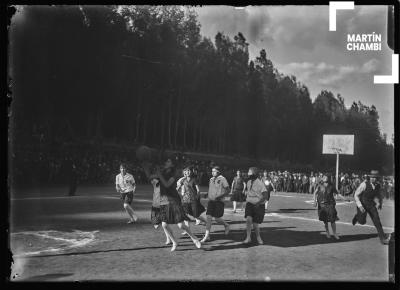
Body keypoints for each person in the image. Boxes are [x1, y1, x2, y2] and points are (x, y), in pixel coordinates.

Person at [153, 158, 201, 251]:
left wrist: (159, 175)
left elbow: (167, 184)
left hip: (173, 200)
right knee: (164, 225)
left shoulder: (174, 174)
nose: (166, 163)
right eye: (165, 161)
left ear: (172, 164)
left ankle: (194, 239)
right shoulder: (162, 172)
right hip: (164, 199)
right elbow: (154, 181)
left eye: (168, 161)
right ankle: (174, 242)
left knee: (180, 225)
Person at [352, 172, 390, 245]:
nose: (373, 179)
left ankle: (383, 238)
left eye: (375, 177)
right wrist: (360, 206)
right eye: (372, 177)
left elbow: (379, 195)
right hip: (362, 205)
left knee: (377, 221)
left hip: (371, 205)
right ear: (369, 177)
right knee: (362, 222)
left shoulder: (378, 185)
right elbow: (356, 195)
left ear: (377, 178)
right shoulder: (364, 184)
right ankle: (357, 217)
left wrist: (380, 203)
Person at [200, 166, 230, 243]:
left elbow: (228, 190)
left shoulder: (222, 179)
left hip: (219, 202)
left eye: (214, 171)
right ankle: (207, 236)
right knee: (209, 217)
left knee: (217, 219)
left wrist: (220, 196)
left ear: (218, 172)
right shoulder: (211, 179)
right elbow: (211, 188)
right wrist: (207, 194)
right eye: (212, 171)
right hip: (211, 201)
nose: (212, 172)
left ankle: (226, 225)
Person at [176, 166, 207, 232]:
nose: (187, 172)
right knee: (185, 214)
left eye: (189, 171)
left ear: (191, 172)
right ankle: (187, 230)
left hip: (193, 200)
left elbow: (198, 190)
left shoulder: (194, 179)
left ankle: (205, 221)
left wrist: (197, 198)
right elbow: (178, 188)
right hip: (185, 200)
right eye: (186, 171)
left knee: (195, 215)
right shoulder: (183, 180)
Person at [243, 167, 268, 245]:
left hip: (259, 205)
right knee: (248, 219)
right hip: (250, 204)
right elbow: (249, 192)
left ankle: (258, 237)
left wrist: (258, 203)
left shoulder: (260, 183)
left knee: (255, 224)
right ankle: (248, 237)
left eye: (249, 172)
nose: (248, 173)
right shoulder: (248, 182)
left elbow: (265, 196)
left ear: (254, 173)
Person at [313, 174, 340, 239]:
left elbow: (338, 194)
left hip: (330, 204)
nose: (325, 178)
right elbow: (315, 193)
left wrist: (345, 199)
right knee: (325, 220)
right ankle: (327, 232)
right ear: (322, 179)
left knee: (332, 219)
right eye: (324, 177)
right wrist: (315, 201)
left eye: (327, 177)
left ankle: (335, 233)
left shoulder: (331, 186)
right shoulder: (319, 186)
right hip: (322, 205)